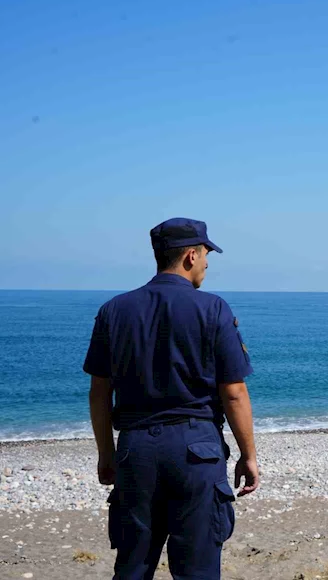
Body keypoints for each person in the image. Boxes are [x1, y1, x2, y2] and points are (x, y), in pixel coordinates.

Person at [84, 217, 260, 580]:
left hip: (136, 450)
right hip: (197, 450)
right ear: (192, 256)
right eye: (208, 254)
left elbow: (100, 393)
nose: (209, 264)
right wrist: (249, 455)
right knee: (197, 571)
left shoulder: (113, 311)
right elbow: (234, 392)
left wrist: (107, 453)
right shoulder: (213, 309)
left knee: (132, 568)